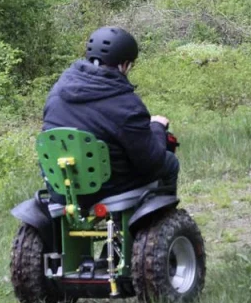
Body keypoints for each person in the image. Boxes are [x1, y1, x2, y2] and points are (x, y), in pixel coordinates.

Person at [42, 26, 178, 201]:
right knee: (169, 163)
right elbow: (152, 162)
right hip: (110, 187)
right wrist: (157, 127)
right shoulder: (126, 104)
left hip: (62, 188)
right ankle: (164, 222)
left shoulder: (57, 92)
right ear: (125, 65)